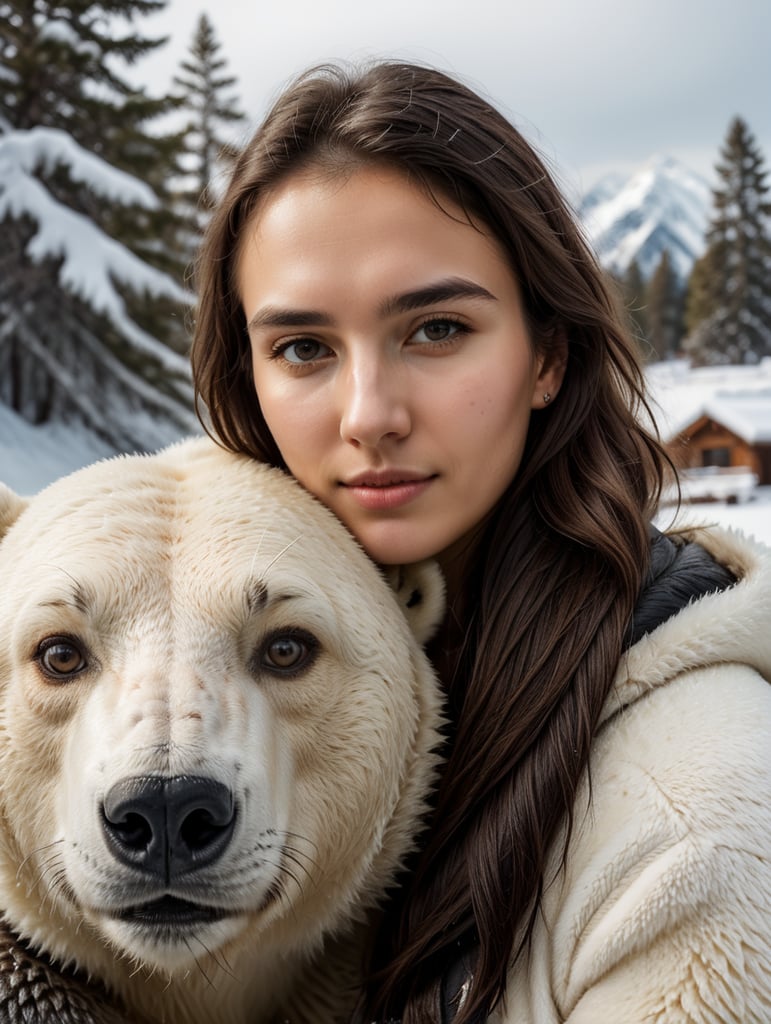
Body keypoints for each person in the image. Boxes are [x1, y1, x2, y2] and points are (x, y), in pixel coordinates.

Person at [190, 61, 771, 1023]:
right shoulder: (243, 686)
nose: (369, 414)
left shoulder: (689, 817)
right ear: (245, 375)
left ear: (546, 352)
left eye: (436, 329)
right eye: (303, 348)